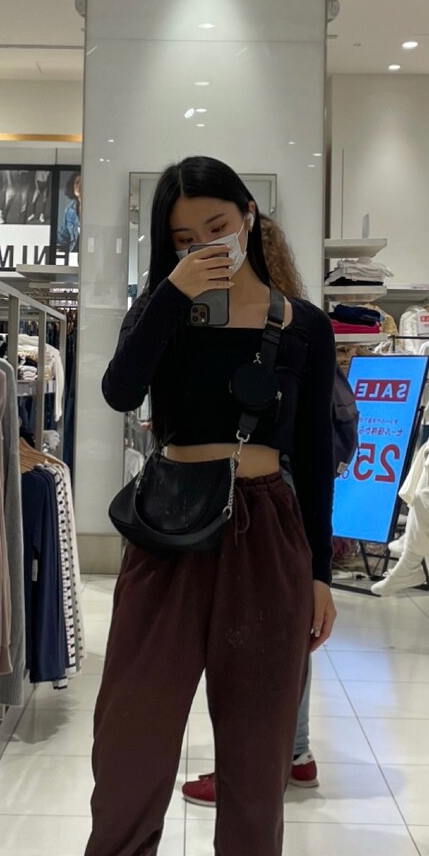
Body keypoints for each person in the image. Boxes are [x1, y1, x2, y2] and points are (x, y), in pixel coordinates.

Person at [23, 158, 338, 856]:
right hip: (168, 535)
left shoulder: (305, 327)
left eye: (216, 228)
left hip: (268, 537)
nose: (204, 245)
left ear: (249, 216)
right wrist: (169, 293)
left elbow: (313, 455)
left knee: (256, 751)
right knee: (130, 743)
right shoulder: (163, 311)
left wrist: (319, 575)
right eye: (182, 236)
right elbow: (120, 392)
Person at [183, 215, 321, 807]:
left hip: (262, 484)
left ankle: (256, 762)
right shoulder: (293, 318)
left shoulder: (285, 323)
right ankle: (297, 752)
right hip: (284, 482)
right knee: (282, 634)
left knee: (251, 637)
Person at [57, 171, 81, 256]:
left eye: (83, 183)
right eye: (77, 183)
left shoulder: (95, 209)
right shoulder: (69, 210)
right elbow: (62, 237)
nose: (79, 186)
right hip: (72, 255)